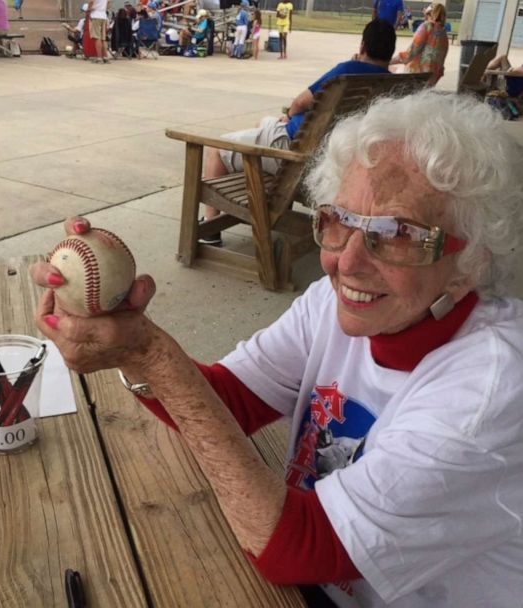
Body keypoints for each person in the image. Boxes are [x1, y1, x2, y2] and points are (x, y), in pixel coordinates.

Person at [31, 89, 523, 607]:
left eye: (399, 235)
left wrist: (150, 354)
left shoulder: (491, 389)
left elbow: (295, 546)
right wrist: (123, 334)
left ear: (472, 264)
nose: (346, 264)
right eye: (340, 221)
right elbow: (227, 401)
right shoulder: (339, 305)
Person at [201, 19, 396, 245]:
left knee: (216, 148)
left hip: (294, 151)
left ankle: (209, 228)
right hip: (325, 158)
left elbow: (299, 103)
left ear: (363, 46)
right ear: (390, 52)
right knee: (263, 123)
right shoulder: (390, 82)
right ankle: (273, 199)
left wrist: (290, 115)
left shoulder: (348, 71)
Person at [389, 2, 448, 85]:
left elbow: (409, 54)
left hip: (416, 78)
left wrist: (388, 62)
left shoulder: (426, 26)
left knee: (389, 69)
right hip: (430, 81)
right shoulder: (444, 34)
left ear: (429, 14)